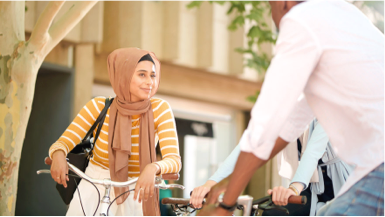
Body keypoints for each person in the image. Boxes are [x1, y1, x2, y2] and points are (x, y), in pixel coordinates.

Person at [197, 0, 385, 216]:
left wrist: (225, 205)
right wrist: (226, 182)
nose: (272, 16)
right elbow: (291, 123)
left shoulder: (302, 20)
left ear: (282, 2)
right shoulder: (345, 15)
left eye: (269, 6)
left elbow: (265, 123)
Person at [48, 48, 181, 216]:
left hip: (136, 189)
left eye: (153, 75)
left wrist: (153, 168)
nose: (150, 82)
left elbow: (174, 160)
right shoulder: (98, 106)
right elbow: (62, 143)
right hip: (93, 185)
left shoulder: (160, 109)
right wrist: (59, 154)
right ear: (124, 75)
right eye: (142, 74)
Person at [190, 119, 352, 215]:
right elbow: (248, 145)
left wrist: (294, 189)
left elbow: (313, 151)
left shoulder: (327, 102)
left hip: (346, 183)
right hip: (312, 185)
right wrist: (211, 183)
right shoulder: (289, 109)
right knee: (273, 213)